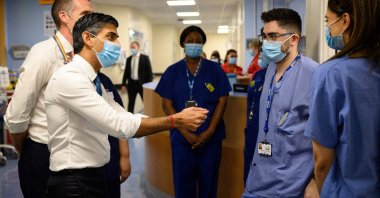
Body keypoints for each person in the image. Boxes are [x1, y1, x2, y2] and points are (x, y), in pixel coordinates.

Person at [44, 13, 208, 198]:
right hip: (73, 183)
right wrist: (175, 120)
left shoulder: (94, 80)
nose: (117, 45)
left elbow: (124, 116)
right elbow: (119, 125)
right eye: (111, 37)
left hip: (96, 176)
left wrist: (174, 120)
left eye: (117, 38)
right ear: (88, 38)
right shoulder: (70, 78)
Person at [3, 1, 93, 197]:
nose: (92, 18)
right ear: (64, 17)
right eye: (86, 13)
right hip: (44, 152)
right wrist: (26, 150)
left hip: (77, 152)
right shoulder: (43, 53)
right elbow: (16, 116)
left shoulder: (82, 55)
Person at [305, 0, 380, 197]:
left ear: (345, 20)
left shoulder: (330, 75)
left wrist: (320, 190)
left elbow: (321, 162)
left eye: (328, 20)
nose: (328, 27)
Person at [242, 8, 319, 197]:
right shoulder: (269, 71)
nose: (266, 43)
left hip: (290, 187)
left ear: (293, 39)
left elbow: (328, 136)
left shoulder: (314, 75)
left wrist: (316, 181)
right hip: (257, 181)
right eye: (264, 36)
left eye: (273, 36)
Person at [155, 25, 231, 198]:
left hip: (211, 139)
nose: (194, 44)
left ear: (203, 44)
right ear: (183, 44)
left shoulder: (215, 70)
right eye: (190, 41)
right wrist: (184, 132)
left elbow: (222, 100)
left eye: (198, 41)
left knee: (209, 184)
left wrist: (210, 131)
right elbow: (167, 104)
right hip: (181, 139)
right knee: (183, 185)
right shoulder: (172, 71)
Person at [243, 55, 267, 186]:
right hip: (252, 131)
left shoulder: (283, 75)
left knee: (264, 179)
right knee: (248, 177)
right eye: (261, 51)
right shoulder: (257, 74)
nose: (263, 55)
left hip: (267, 136)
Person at [121, 41, 153, 113]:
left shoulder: (145, 58)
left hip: (142, 84)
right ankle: (130, 119)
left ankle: (148, 116)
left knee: (146, 103)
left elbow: (149, 73)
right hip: (131, 85)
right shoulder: (129, 59)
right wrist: (123, 84)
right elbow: (126, 73)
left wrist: (148, 86)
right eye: (131, 48)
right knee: (131, 103)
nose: (132, 49)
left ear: (138, 48)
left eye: (134, 47)